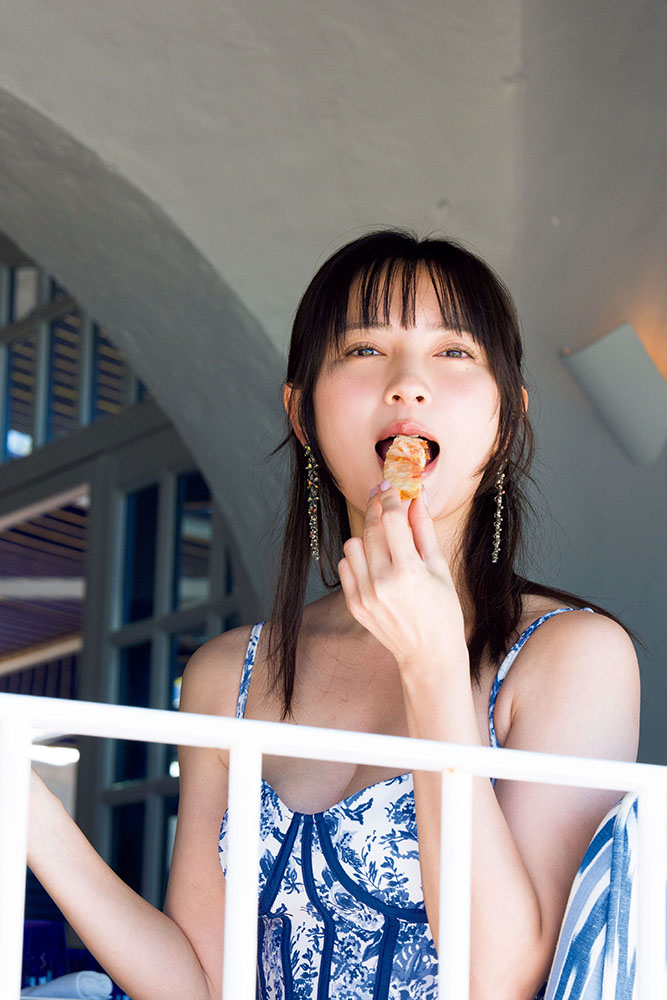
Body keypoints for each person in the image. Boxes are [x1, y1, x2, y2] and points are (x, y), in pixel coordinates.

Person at [27, 230, 640, 1000]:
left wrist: (431, 665)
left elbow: (498, 980)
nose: (407, 384)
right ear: (302, 413)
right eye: (363, 350)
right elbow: (202, 983)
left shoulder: (572, 656)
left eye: (453, 352)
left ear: (505, 420)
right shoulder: (228, 674)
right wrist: (28, 811)